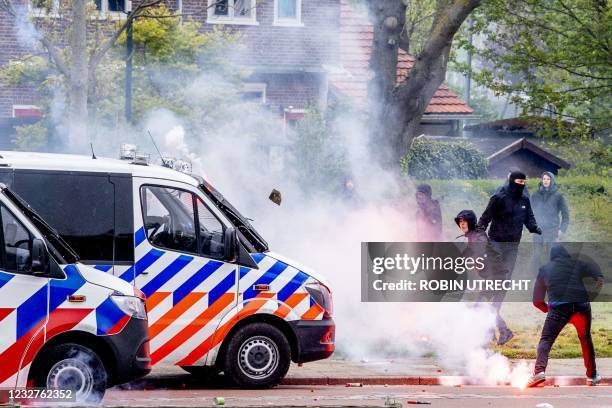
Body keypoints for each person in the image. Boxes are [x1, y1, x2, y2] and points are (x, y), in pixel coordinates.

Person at [477, 170, 542, 345]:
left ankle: (493, 329)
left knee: (503, 285)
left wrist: (535, 228)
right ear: (511, 181)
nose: (521, 185)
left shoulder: (524, 200)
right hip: (496, 245)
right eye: (518, 182)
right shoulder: (498, 198)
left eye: (524, 182)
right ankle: (492, 328)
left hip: (513, 247)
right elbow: (484, 220)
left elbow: (529, 219)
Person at [527, 244, 604, 387]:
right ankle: (592, 376)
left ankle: (539, 372)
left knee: (546, 340)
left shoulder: (544, 270)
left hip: (559, 309)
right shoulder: (576, 263)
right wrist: (599, 276)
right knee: (585, 338)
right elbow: (592, 266)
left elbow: (537, 300)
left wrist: (547, 310)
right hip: (581, 306)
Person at [455, 210, 509, 342]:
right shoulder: (472, 236)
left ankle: (500, 333)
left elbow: (480, 245)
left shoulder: (478, 235)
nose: (462, 224)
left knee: (480, 306)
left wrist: (477, 257)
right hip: (492, 276)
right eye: (460, 222)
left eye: (464, 221)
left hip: (496, 276)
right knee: (483, 306)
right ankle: (494, 334)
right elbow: (469, 251)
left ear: (471, 221)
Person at [531, 172, 569, 260]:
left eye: (548, 179)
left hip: (552, 230)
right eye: (544, 179)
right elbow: (530, 212)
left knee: (551, 256)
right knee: (536, 255)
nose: (546, 181)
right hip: (538, 229)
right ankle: (534, 272)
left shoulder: (558, 195)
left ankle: (551, 272)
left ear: (552, 180)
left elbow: (565, 214)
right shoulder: (535, 194)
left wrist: (562, 229)